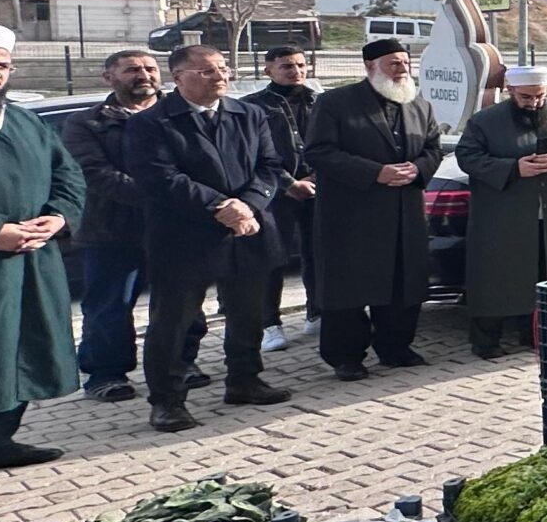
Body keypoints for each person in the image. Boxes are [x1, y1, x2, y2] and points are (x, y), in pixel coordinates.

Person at [124, 44, 288, 431]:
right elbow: (160, 178)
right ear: (178, 77)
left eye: (223, 69)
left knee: (248, 312)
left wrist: (246, 206)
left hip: (248, 229)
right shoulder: (152, 123)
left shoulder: (250, 114)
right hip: (184, 235)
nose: (220, 77)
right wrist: (219, 207)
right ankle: (167, 399)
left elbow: (269, 167)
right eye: (207, 72)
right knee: (174, 321)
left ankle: (244, 379)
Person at [0, 22, 85, 469]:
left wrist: (58, 216)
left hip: (34, 258)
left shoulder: (26, 121)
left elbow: (69, 175)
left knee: (28, 346)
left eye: (1, 65)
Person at [63, 47, 198, 401]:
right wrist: (166, 195)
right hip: (112, 229)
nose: (143, 75)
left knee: (181, 301)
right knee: (109, 306)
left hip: (176, 228)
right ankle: (106, 375)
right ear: (109, 77)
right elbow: (95, 173)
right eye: (131, 69)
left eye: (150, 68)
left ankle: (179, 363)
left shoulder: (180, 112)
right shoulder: (87, 122)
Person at [306, 38, 442, 380]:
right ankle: (346, 357)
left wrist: (419, 168)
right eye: (393, 63)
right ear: (370, 67)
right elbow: (319, 152)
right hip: (353, 214)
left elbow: (432, 147)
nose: (402, 69)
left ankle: (395, 348)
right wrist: (374, 172)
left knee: (403, 284)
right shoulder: (335, 102)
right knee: (349, 288)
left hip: (403, 211)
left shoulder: (418, 103)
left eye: (405, 63)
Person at [455, 66, 547, 358]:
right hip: (504, 216)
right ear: (510, 91)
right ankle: (486, 342)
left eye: (540, 97)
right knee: (497, 278)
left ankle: (536, 335)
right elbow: (468, 157)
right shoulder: (484, 122)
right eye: (526, 97)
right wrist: (513, 168)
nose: (534, 103)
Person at [252, 45, 319, 353]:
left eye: (301, 65)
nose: (296, 72)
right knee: (273, 258)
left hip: (318, 190)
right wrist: (288, 183)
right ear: (269, 70)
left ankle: (317, 312)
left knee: (317, 253)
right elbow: (252, 154)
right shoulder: (253, 107)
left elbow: (331, 144)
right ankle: (269, 324)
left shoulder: (319, 101)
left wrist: (313, 180)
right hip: (274, 194)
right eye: (287, 66)